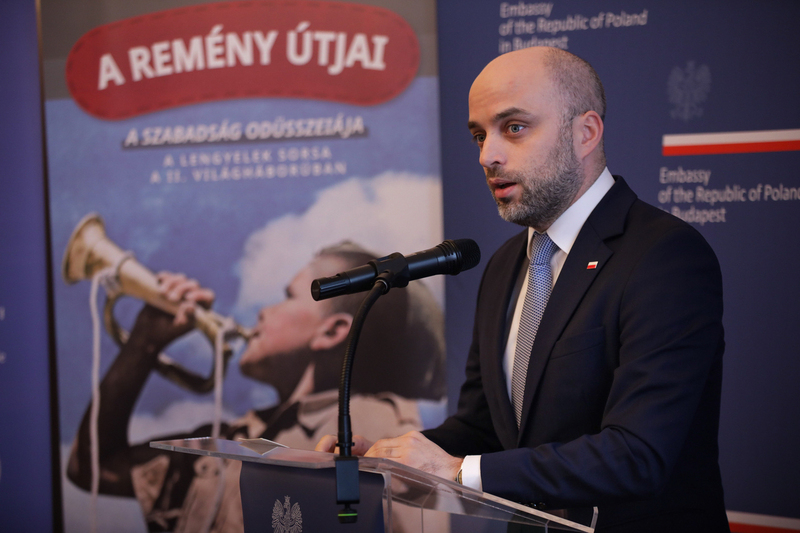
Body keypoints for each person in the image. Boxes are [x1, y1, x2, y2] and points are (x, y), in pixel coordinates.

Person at [317, 47, 730, 532]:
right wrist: (392, 459)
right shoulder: (505, 265)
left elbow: (637, 454)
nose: (487, 155)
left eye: (513, 127)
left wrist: (457, 472)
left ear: (586, 133)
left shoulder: (664, 255)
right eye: (478, 134)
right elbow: (485, 429)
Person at [67, 241, 446, 532]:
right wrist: (145, 343)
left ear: (331, 332)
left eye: (288, 296)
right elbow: (92, 469)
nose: (264, 311)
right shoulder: (234, 436)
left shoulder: (378, 426)